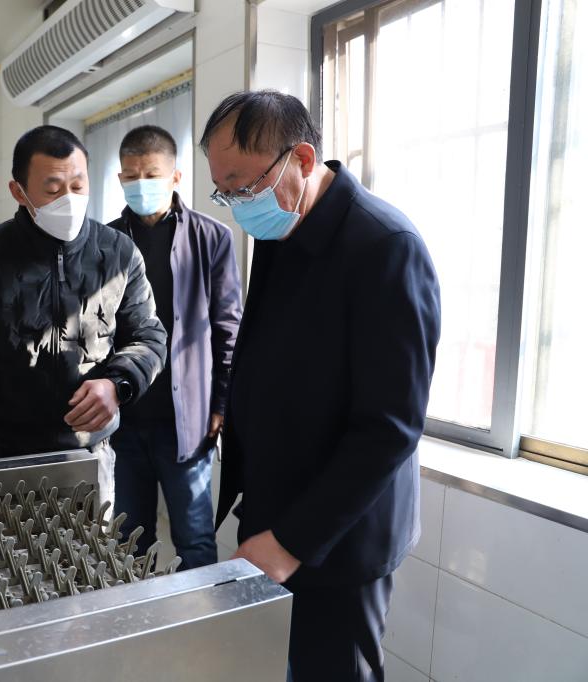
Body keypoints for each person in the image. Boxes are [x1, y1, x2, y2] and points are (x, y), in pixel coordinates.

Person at [201, 90, 441, 681]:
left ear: (302, 160)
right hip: (278, 510)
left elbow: (390, 427)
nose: (236, 206)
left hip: (338, 535)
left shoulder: (384, 247)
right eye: (223, 191)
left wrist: (292, 541)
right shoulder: (286, 227)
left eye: (242, 187)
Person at [0, 126, 167, 510]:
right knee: (7, 544)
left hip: (89, 451)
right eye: (52, 189)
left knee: (89, 546)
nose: (69, 199)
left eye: (78, 185)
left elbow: (148, 336)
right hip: (8, 453)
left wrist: (117, 384)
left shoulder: (118, 252)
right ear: (19, 192)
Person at [106, 125, 241, 569]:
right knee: (127, 542)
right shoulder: (106, 241)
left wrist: (221, 404)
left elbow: (228, 330)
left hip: (188, 423)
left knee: (195, 539)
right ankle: (133, 613)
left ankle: (201, 615)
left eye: (151, 174)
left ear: (176, 177)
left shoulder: (211, 238)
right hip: (124, 420)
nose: (140, 184)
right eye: (130, 176)